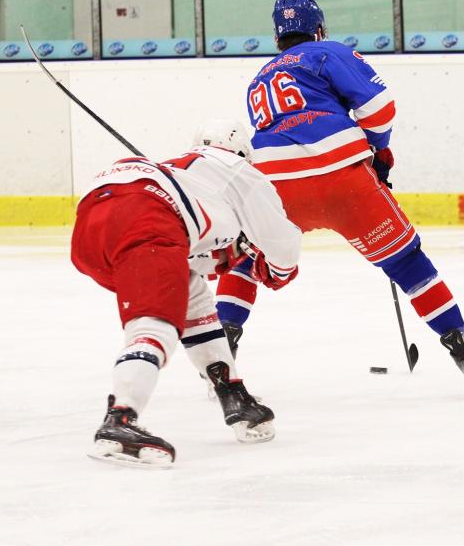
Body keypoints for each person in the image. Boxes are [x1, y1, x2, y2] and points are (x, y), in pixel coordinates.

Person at [215, 0, 464, 392]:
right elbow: (379, 107)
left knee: (247, 257)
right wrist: (378, 151)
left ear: (277, 37)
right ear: (319, 28)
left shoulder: (259, 79)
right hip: (342, 180)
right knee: (406, 262)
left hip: (277, 188)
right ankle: (463, 350)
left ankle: (222, 350)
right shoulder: (328, 52)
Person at [70, 120, 302, 468]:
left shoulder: (181, 170)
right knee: (156, 324)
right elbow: (283, 246)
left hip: (91, 224)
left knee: (191, 296)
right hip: (145, 218)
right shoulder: (240, 170)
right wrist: (276, 271)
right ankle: (120, 420)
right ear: (242, 152)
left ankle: (233, 394)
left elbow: (193, 258)